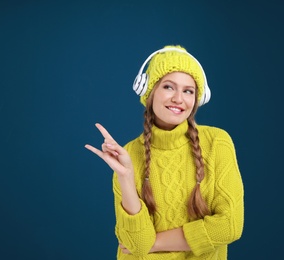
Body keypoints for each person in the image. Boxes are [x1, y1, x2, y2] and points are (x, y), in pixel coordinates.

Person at [84, 45, 244, 259]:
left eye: (188, 91)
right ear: (149, 92)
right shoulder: (128, 154)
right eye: (169, 87)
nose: (179, 99)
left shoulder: (217, 142)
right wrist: (126, 176)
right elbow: (135, 244)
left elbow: (229, 226)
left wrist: (155, 243)